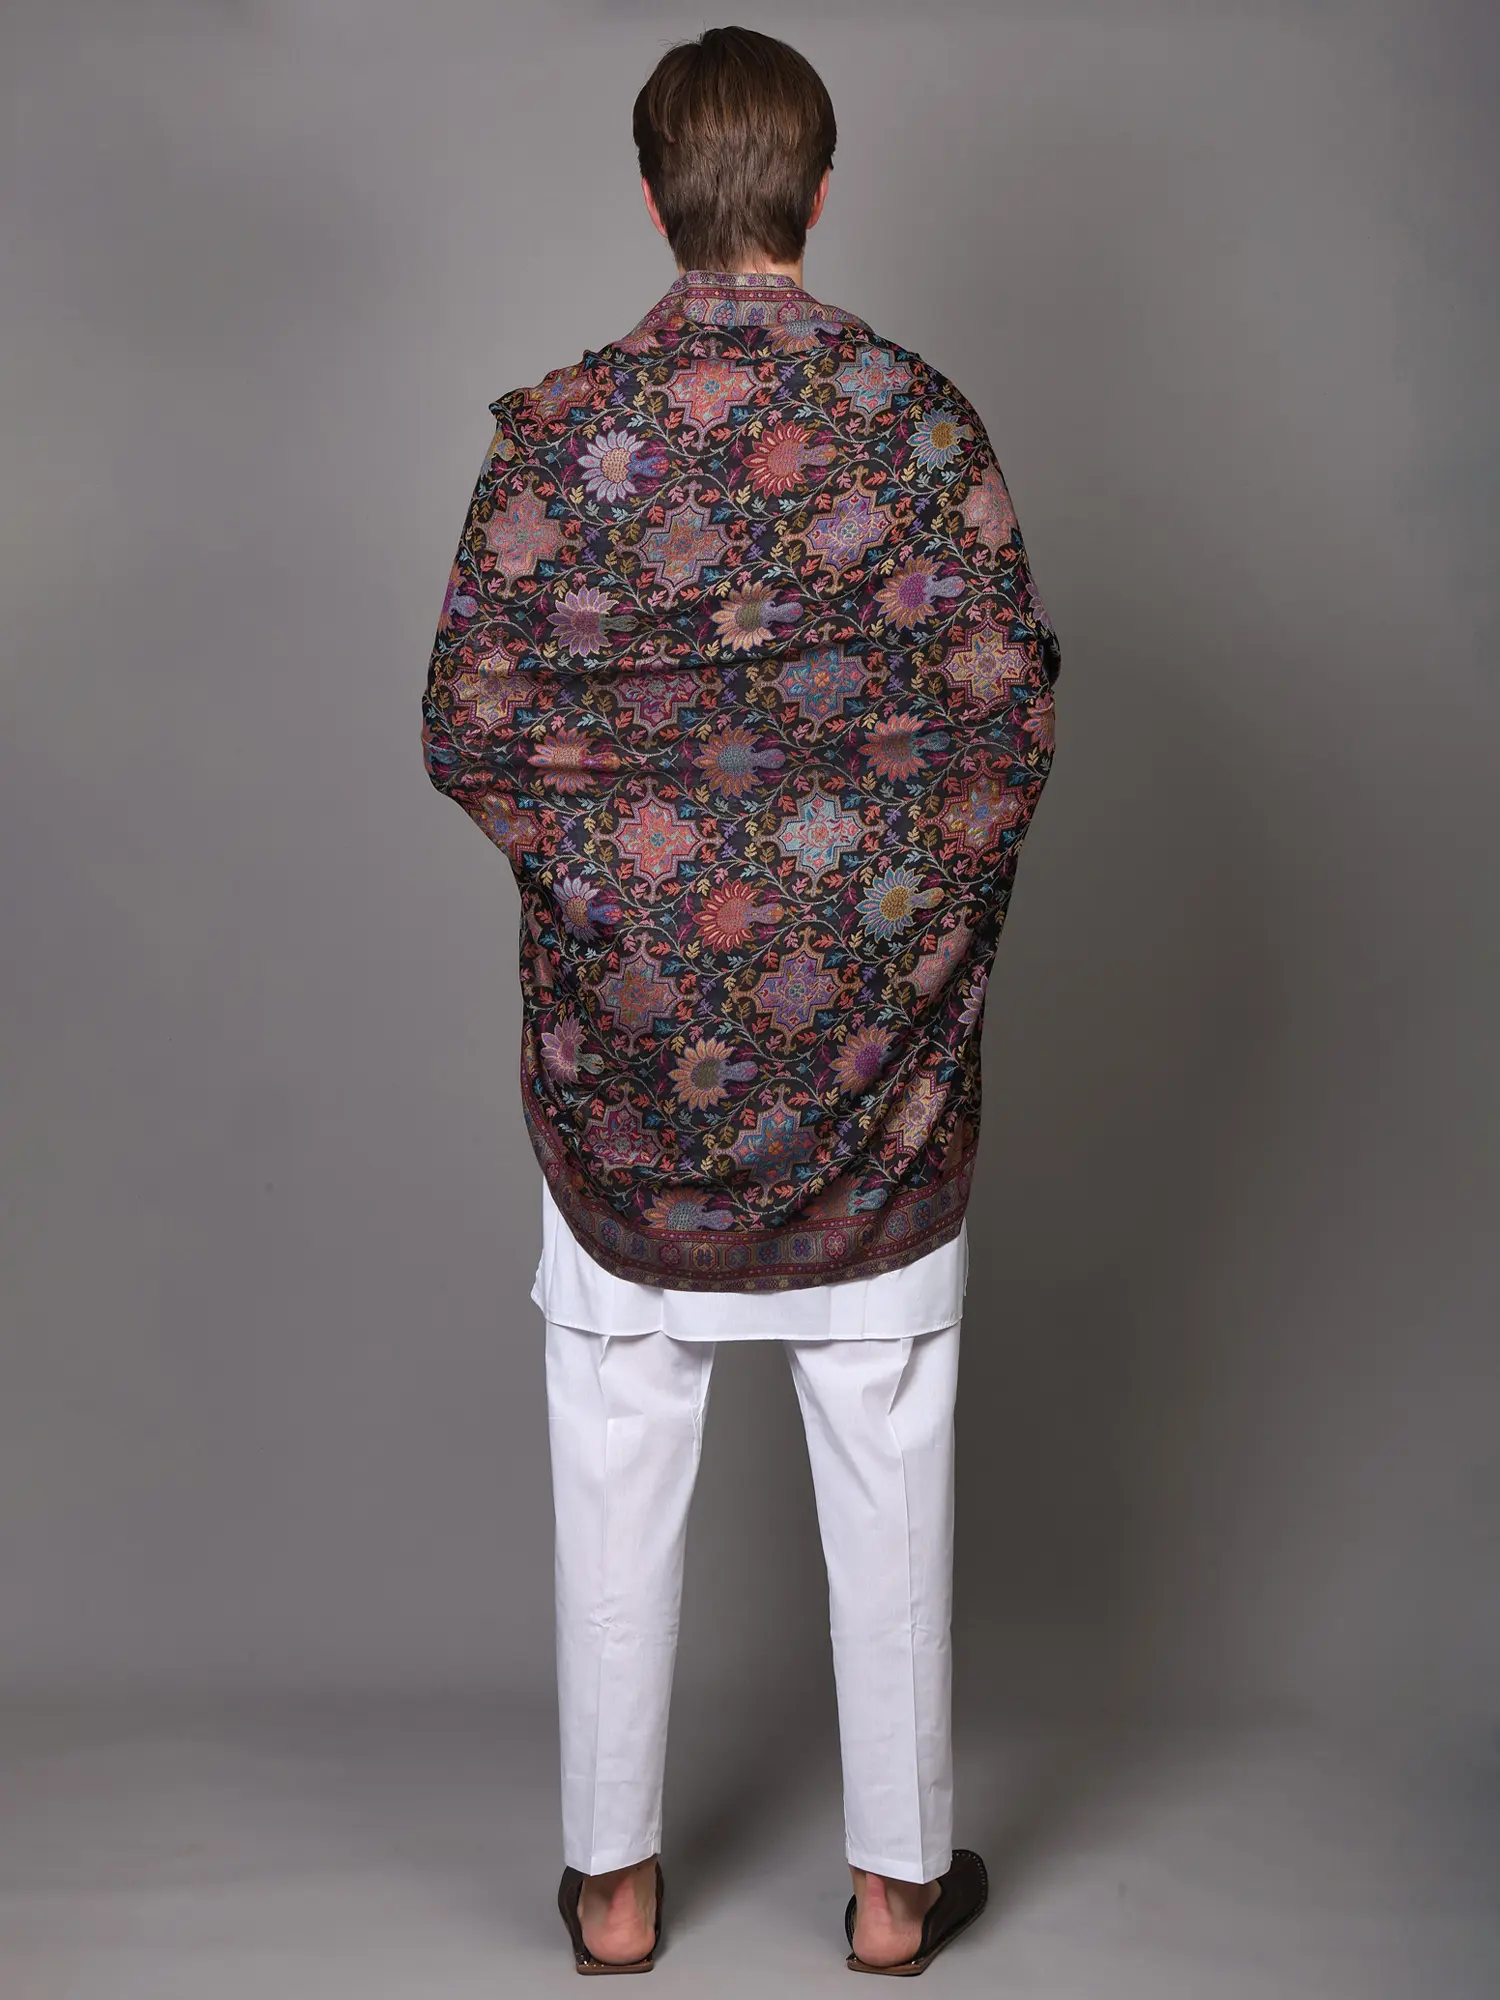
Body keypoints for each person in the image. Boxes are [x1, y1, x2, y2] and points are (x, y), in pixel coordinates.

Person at [421, 24, 1059, 1975]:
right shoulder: (922, 424)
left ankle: (613, 1888)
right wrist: (883, 939)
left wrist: (621, 904)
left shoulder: (562, 437)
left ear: (653, 197)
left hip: (628, 1065)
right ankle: (894, 1890)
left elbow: (472, 722)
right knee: (888, 1432)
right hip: (875, 1065)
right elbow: (1002, 726)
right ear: (818, 188)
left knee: (619, 1429)